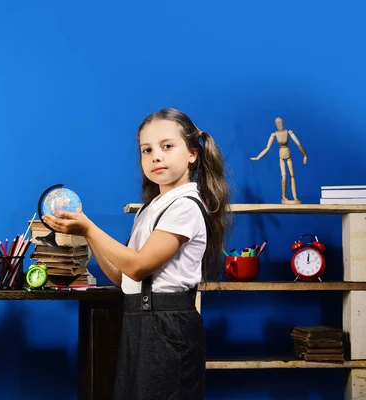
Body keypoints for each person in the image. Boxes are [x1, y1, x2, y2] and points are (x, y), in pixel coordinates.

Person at [42, 107, 231, 400]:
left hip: (168, 323)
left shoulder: (185, 206)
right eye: (147, 150)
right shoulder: (150, 208)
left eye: (167, 146)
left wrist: (90, 229)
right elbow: (123, 276)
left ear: (192, 153)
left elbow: (139, 266)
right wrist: (86, 235)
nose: (156, 155)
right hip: (138, 319)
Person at [250, 117, 308, 204]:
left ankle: (295, 196)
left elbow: (298, 143)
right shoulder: (274, 134)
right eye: (277, 123)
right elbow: (267, 148)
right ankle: (284, 196)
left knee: (292, 176)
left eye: (280, 122)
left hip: (288, 155)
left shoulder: (288, 132)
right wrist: (258, 157)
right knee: (284, 176)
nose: (279, 125)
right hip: (281, 156)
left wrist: (304, 155)